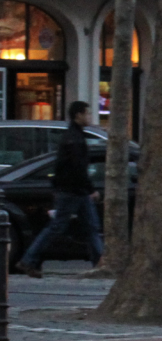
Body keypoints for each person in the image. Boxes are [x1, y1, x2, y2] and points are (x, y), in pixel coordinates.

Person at [16, 101, 101, 278]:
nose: (90, 117)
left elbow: (64, 166)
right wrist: (90, 188)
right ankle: (29, 259)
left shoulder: (73, 136)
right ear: (78, 115)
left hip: (73, 190)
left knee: (90, 226)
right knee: (59, 227)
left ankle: (99, 261)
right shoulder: (75, 139)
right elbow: (77, 167)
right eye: (87, 114)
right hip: (73, 190)